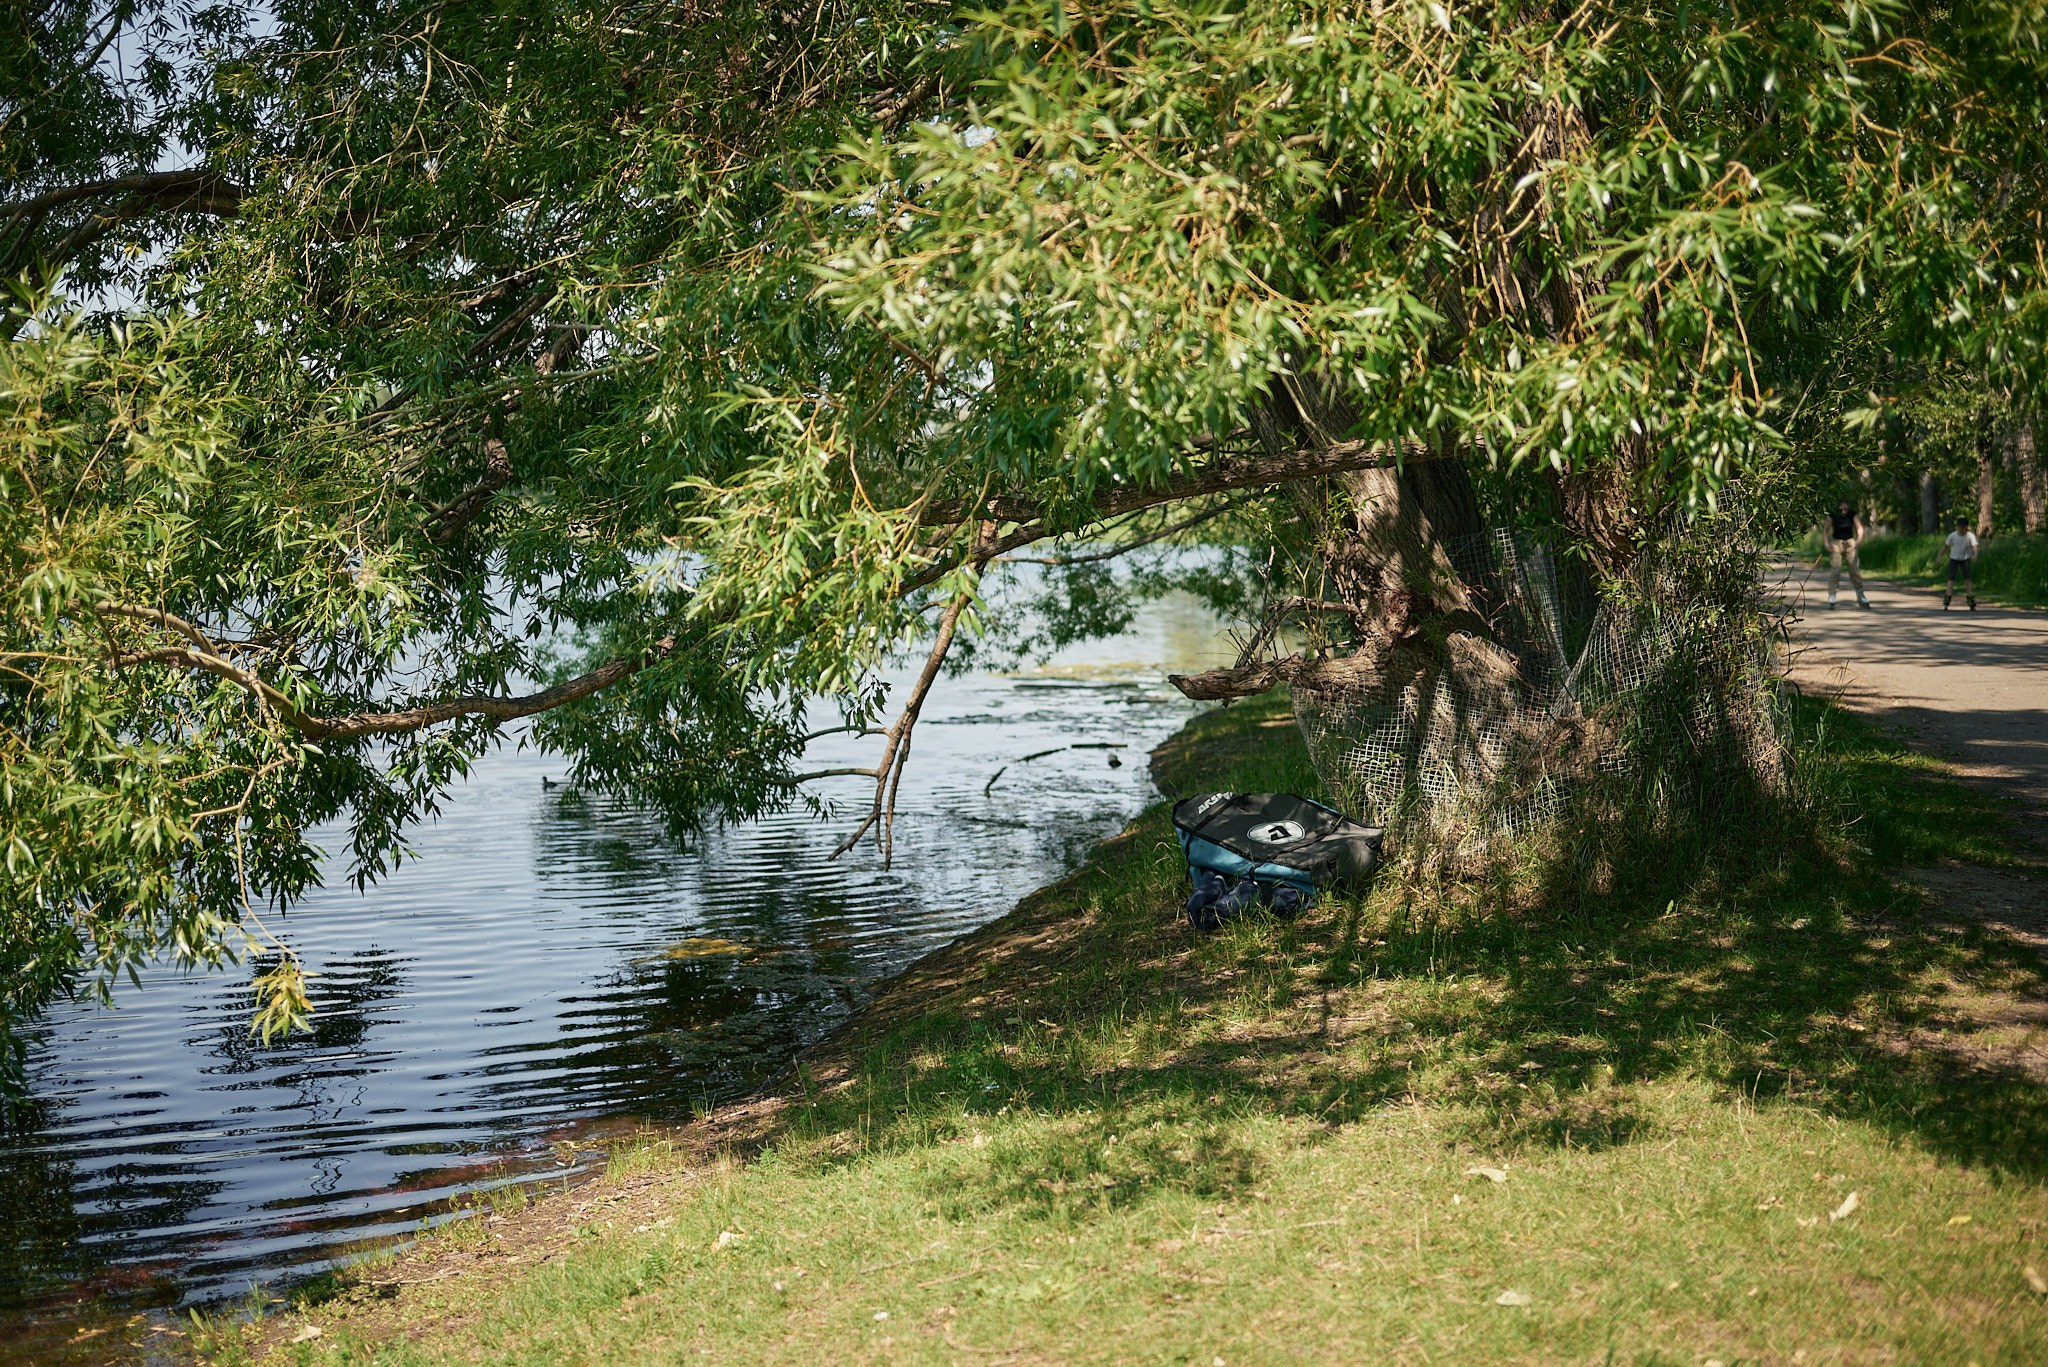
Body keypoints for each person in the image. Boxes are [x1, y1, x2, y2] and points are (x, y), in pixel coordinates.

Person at [1823, 501, 1870, 609]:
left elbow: (1860, 528)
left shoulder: (1852, 514)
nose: (1843, 511)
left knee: (1854, 570)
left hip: (1850, 543)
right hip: (1836, 543)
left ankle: (1861, 595)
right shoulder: (1833, 514)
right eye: (1841, 509)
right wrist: (1826, 543)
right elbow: (1826, 530)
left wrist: (1858, 541)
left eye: (1845, 508)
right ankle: (1832, 595)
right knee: (1836, 569)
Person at [1943, 517, 1979, 610]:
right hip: (1953, 559)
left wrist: (1975, 554)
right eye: (1959, 527)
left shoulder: (1970, 536)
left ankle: (1970, 599)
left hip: (1965, 559)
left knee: (1967, 579)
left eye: (1963, 527)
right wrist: (1940, 556)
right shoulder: (1953, 535)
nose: (1961, 530)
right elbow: (1945, 546)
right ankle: (1947, 598)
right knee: (1951, 579)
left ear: (1966, 527)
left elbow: (1974, 546)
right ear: (1957, 527)